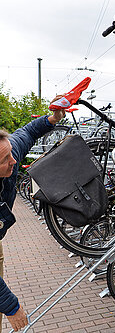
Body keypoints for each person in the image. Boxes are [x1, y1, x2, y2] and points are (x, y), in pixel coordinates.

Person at [0, 96, 65, 332]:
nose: (14, 161)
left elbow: (26, 133)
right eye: (5, 160)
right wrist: (11, 306)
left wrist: (53, 118)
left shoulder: (9, 151)